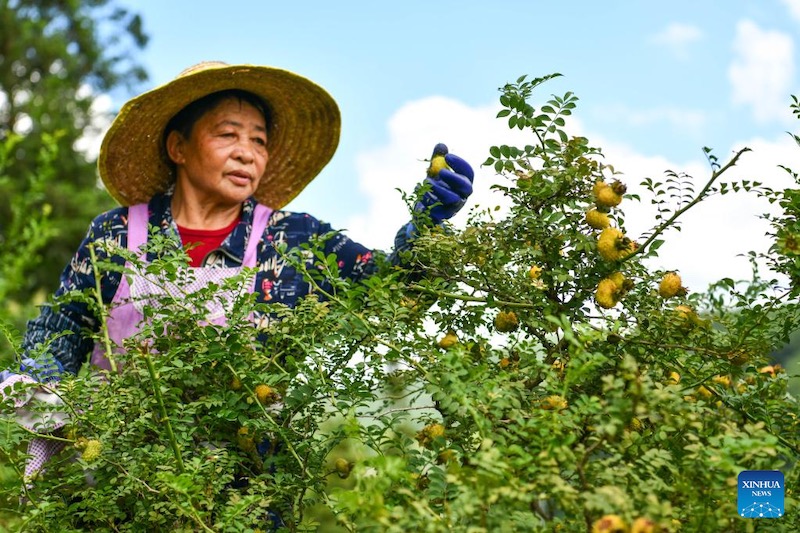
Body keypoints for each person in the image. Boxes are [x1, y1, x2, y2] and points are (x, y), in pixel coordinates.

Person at [0, 61, 474, 475]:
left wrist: (425, 232)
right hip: (120, 479)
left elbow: (392, 294)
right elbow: (59, 330)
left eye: (259, 140)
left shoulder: (295, 240)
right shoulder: (116, 235)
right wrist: (36, 382)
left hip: (245, 489)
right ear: (179, 148)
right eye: (227, 134)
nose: (247, 151)